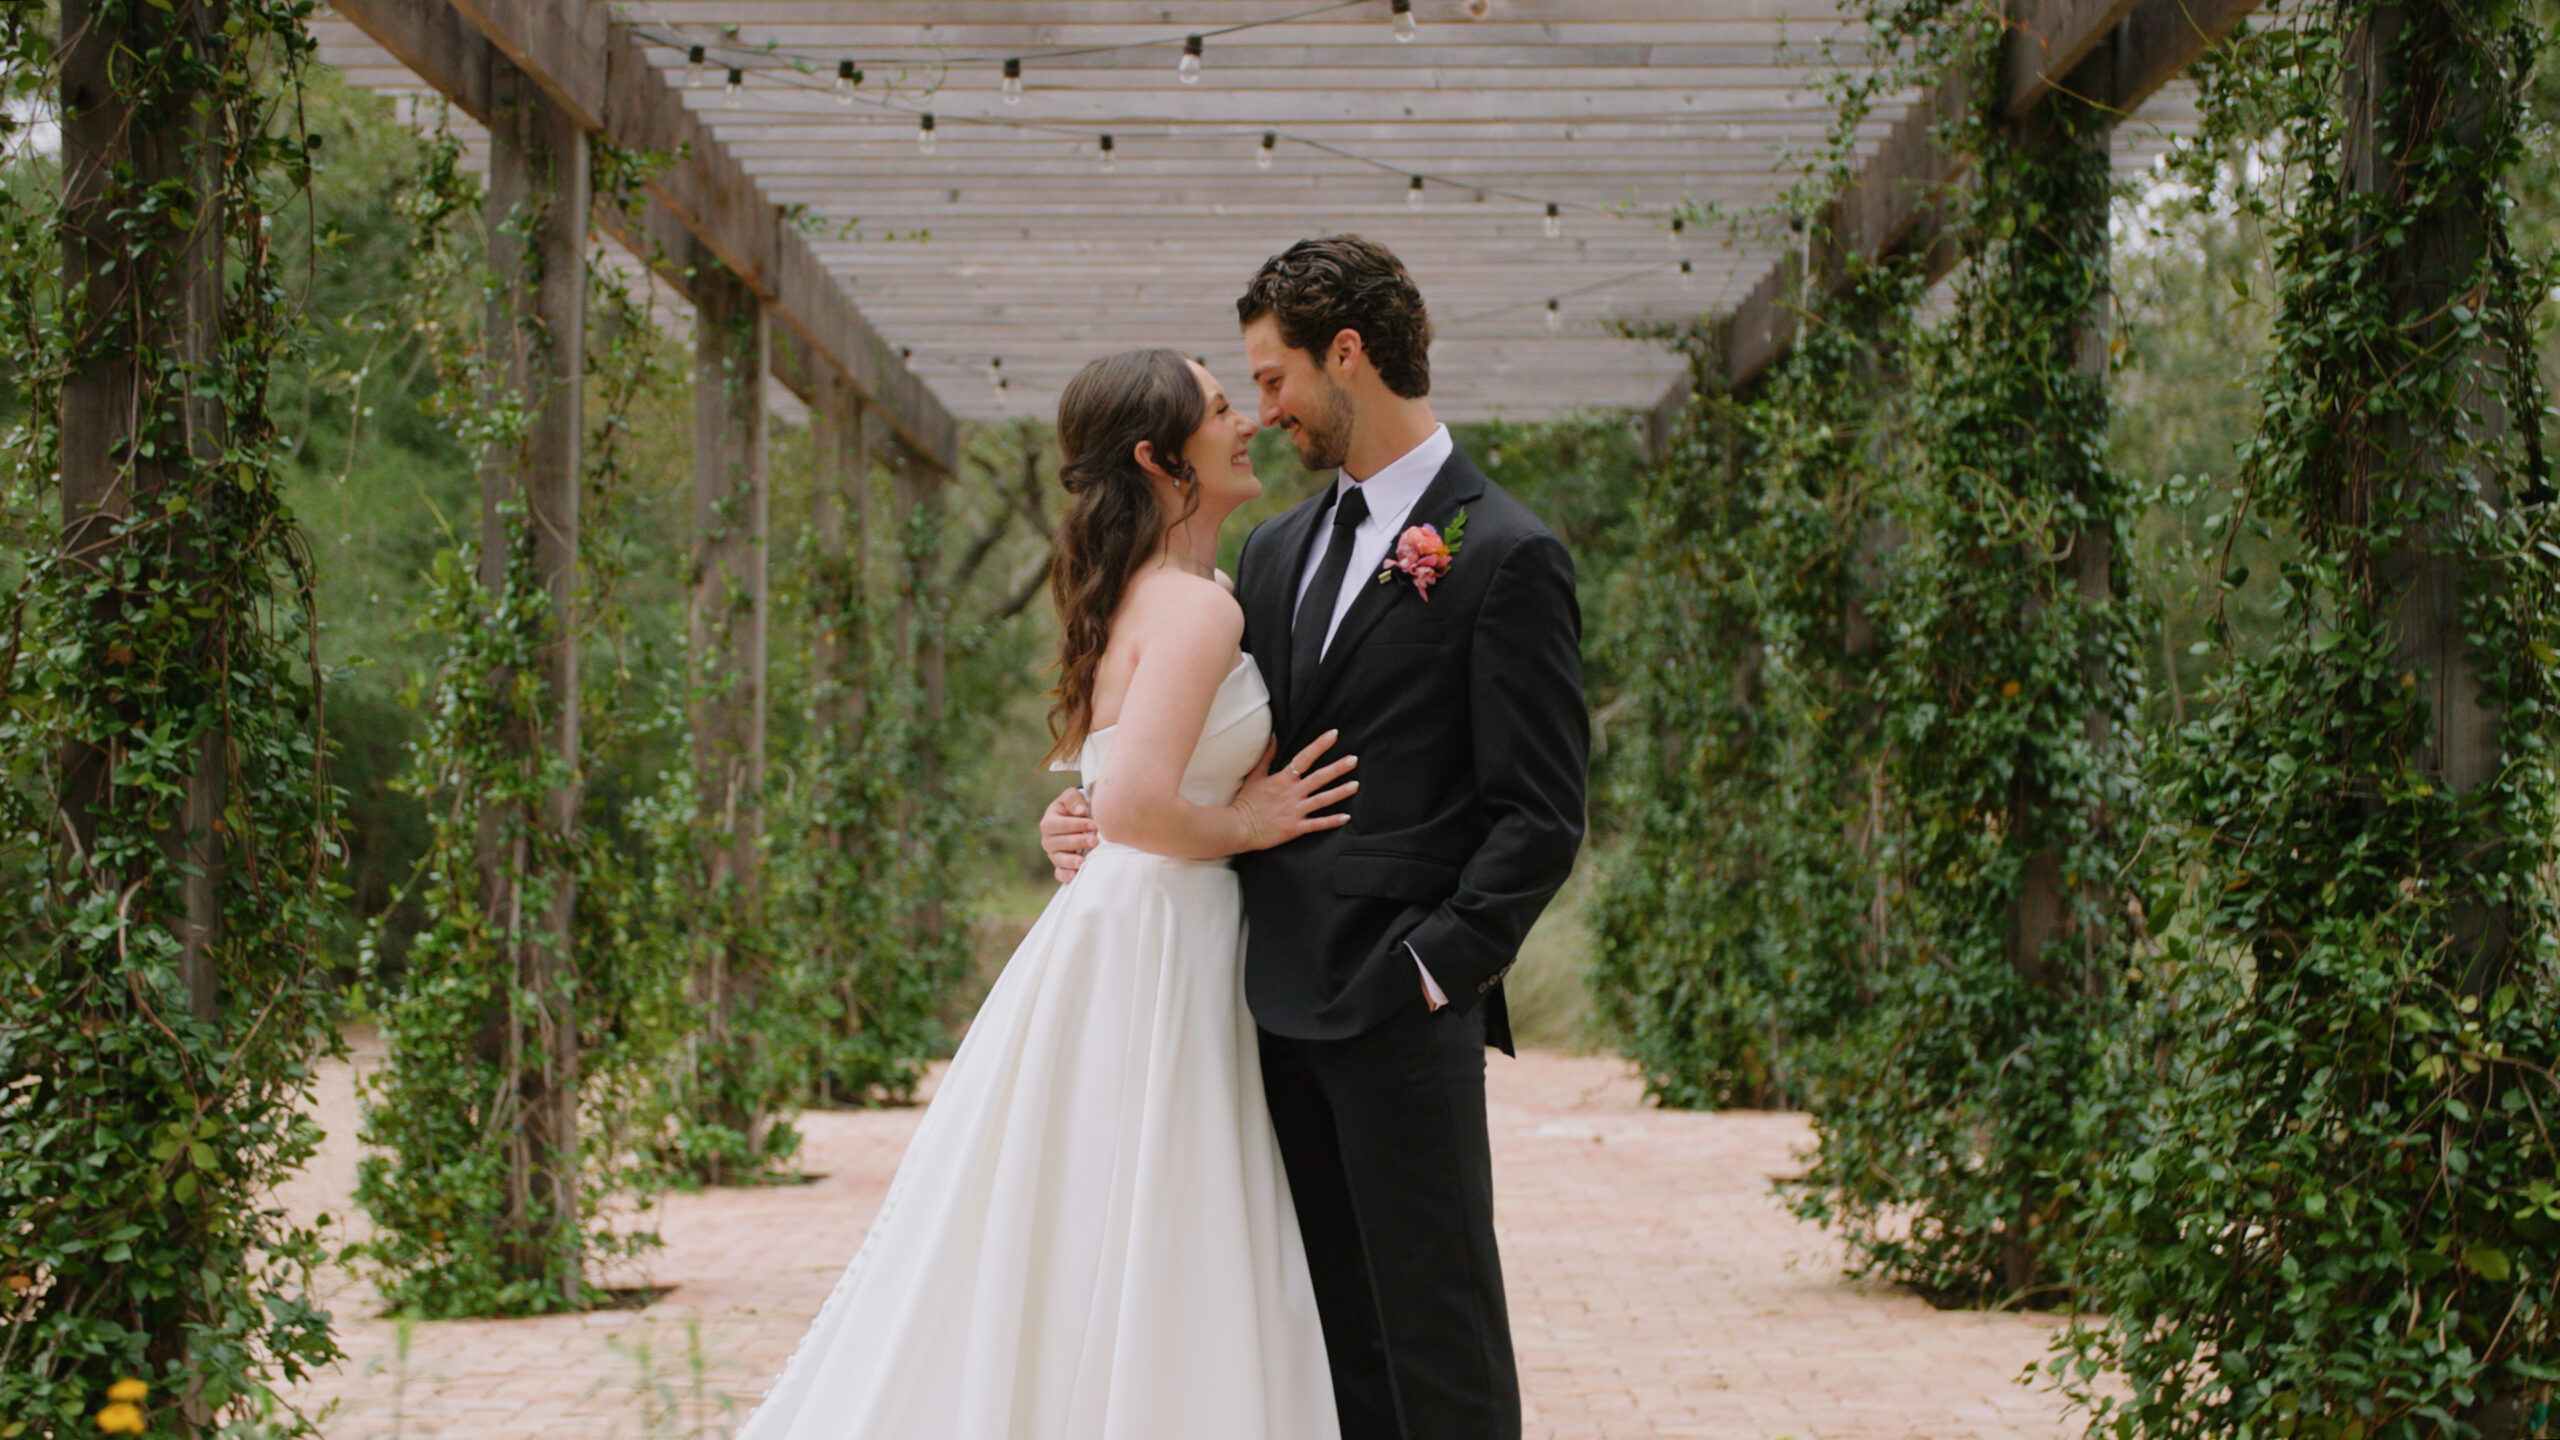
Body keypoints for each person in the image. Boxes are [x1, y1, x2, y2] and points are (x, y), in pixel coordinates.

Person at [735, 347, 1353, 1440]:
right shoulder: (1199, 611)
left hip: (1140, 922)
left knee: (1095, 1212)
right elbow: (1137, 805)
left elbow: (1106, 786)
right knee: (1151, 1207)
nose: (1245, 424)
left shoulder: (1171, 594)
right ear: (1161, 458)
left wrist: (1089, 819)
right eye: (1221, 411)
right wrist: (1248, 822)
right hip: (1159, 932)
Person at [1042, 235, 1589, 1440]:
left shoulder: (1506, 553)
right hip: (1256, 1006)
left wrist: (1430, 972)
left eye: (1274, 379)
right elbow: (1205, 749)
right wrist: (1090, 806)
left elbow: (1540, 818)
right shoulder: (1272, 554)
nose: (1266, 413)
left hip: (1399, 1011)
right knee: (1323, 1345)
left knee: (1438, 1341)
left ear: (1349, 356)